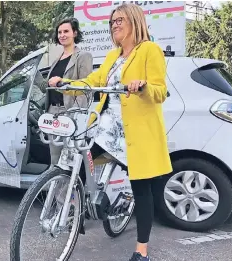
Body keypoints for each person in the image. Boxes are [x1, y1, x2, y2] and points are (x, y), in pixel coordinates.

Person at [48, 3, 172, 261]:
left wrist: (143, 85)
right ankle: (84, 210)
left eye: (120, 20)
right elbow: (92, 82)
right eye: (112, 21)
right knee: (80, 165)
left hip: (137, 131)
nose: (115, 25)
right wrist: (67, 85)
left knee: (142, 189)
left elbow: (160, 90)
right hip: (107, 128)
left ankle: (142, 251)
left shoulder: (149, 50)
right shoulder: (112, 56)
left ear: (134, 21)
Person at [46, 17, 93, 165]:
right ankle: (54, 188)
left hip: (70, 112)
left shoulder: (83, 56)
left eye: (66, 31)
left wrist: (76, 115)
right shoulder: (56, 59)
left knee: (69, 160)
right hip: (53, 113)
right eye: (59, 32)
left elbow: (85, 87)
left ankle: (69, 188)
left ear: (75, 33)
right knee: (54, 159)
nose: (62, 35)